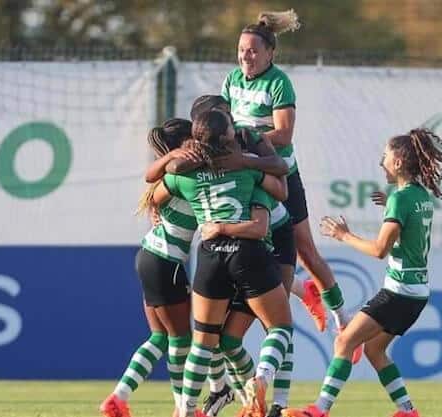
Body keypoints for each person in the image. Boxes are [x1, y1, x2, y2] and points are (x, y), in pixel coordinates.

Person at [281, 129, 442, 417]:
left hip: (399, 292)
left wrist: (344, 235)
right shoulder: (418, 195)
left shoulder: (401, 200)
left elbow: (379, 250)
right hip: (416, 293)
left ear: (398, 162)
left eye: (386, 156)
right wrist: (389, 202)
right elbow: (407, 223)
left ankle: (319, 411)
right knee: (374, 350)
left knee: (344, 341)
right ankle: (407, 411)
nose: (381, 162)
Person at [221, 10, 354, 338]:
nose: (245, 57)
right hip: (246, 176)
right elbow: (222, 124)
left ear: (270, 53)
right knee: (248, 249)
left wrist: (247, 139)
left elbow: (283, 135)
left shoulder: (278, 82)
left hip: (279, 175)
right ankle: (299, 290)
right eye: (241, 50)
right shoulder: (231, 80)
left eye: (252, 51)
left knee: (305, 250)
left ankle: (344, 323)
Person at [155, 110, 294, 417]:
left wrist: (176, 163)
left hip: (209, 255)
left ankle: (186, 410)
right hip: (249, 252)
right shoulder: (245, 168)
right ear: (228, 136)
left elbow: (156, 192)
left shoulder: (184, 174)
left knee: (203, 342)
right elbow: (281, 187)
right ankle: (262, 379)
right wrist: (253, 162)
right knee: (280, 327)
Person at [100, 118, 197, 417]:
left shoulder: (172, 171)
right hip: (167, 262)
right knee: (182, 339)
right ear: (183, 144)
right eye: (194, 137)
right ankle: (184, 409)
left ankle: (119, 397)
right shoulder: (184, 172)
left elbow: (154, 194)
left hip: (148, 256)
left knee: (160, 338)